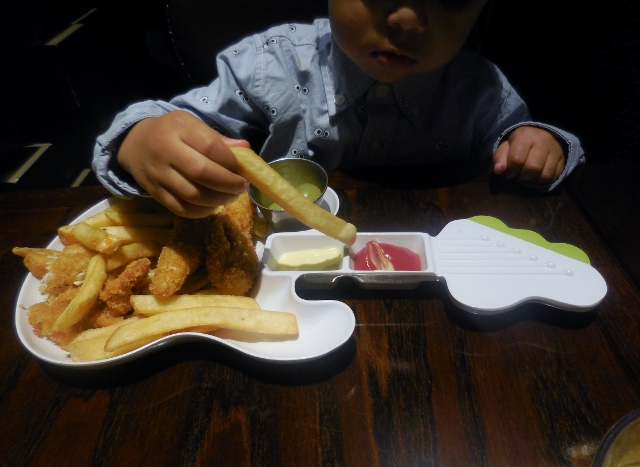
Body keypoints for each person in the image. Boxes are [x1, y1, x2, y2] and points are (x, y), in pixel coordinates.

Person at [93, 0, 584, 219]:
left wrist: (540, 144)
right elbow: (181, 126)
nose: (408, 19)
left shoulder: (480, 89)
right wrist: (142, 139)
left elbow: (519, 140)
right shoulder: (269, 64)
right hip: (282, 276)